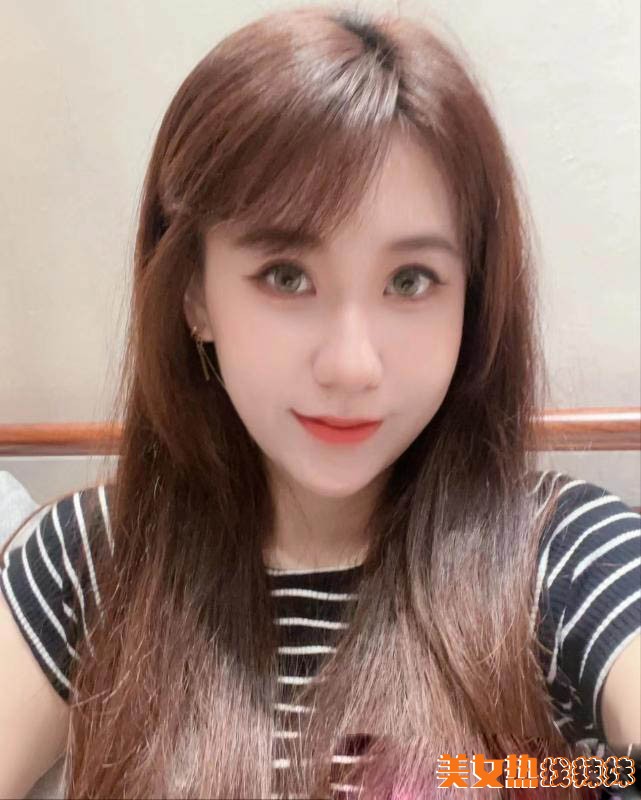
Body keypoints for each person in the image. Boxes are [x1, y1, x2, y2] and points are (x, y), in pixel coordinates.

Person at [0, 4, 639, 798]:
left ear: (469, 302)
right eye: (285, 276)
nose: (350, 365)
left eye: (410, 281)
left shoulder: (562, 557)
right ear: (195, 296)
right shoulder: (91, 560)